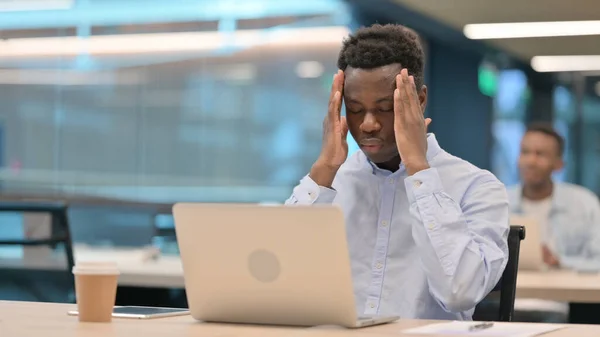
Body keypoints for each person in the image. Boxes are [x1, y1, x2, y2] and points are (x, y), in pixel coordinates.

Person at [285, 24, 509, 320]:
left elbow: (459, 293)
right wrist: (323, 169)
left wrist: (419, 170)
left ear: (419, 100)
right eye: (354, 108)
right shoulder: (330, 181)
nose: (367, 124)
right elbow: (281, 277)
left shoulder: (477, 187)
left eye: (384, 108)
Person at [507, 122, 600, 322]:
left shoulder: (584, 203)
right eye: (525, 152)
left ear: (559, 164)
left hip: (563, 306)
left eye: (540, 154)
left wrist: (560, 261)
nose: (530, 161)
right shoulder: (499, 201)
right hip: (506, 302)